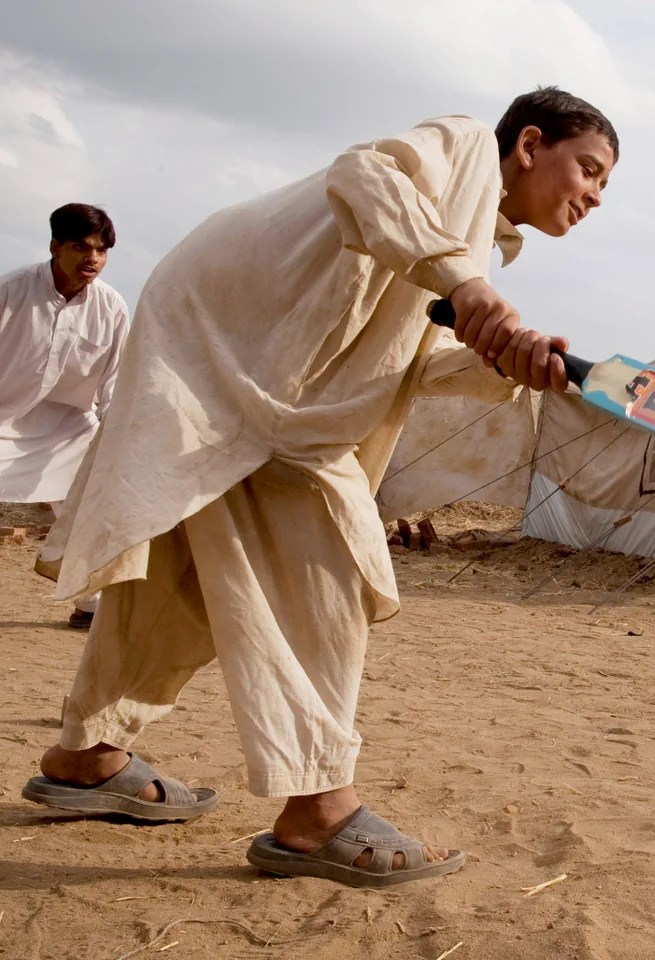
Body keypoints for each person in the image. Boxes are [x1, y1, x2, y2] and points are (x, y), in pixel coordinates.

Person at [22, 87, 618, 888]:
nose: (595, 195)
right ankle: (319, 812)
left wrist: (502, 363)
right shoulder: (468, 147)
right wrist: (469, 289)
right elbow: (363, 175)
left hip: (240, 358)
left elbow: (394, 363)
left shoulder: (466, 239)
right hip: (246, 356)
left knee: (182, 580)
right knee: (331, 566)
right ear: (529, 143)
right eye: (589, 169)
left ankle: (86, 754)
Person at [0, 204, 130, 628]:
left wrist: (115, 446)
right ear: (56, 247)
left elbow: (114, 384)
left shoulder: (112, 308)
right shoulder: (12, 290)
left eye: (101, 250)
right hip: (3, 418)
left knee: (91, 502)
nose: (92, 258)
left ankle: (90, 603)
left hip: (70, 428)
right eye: (80, 246)